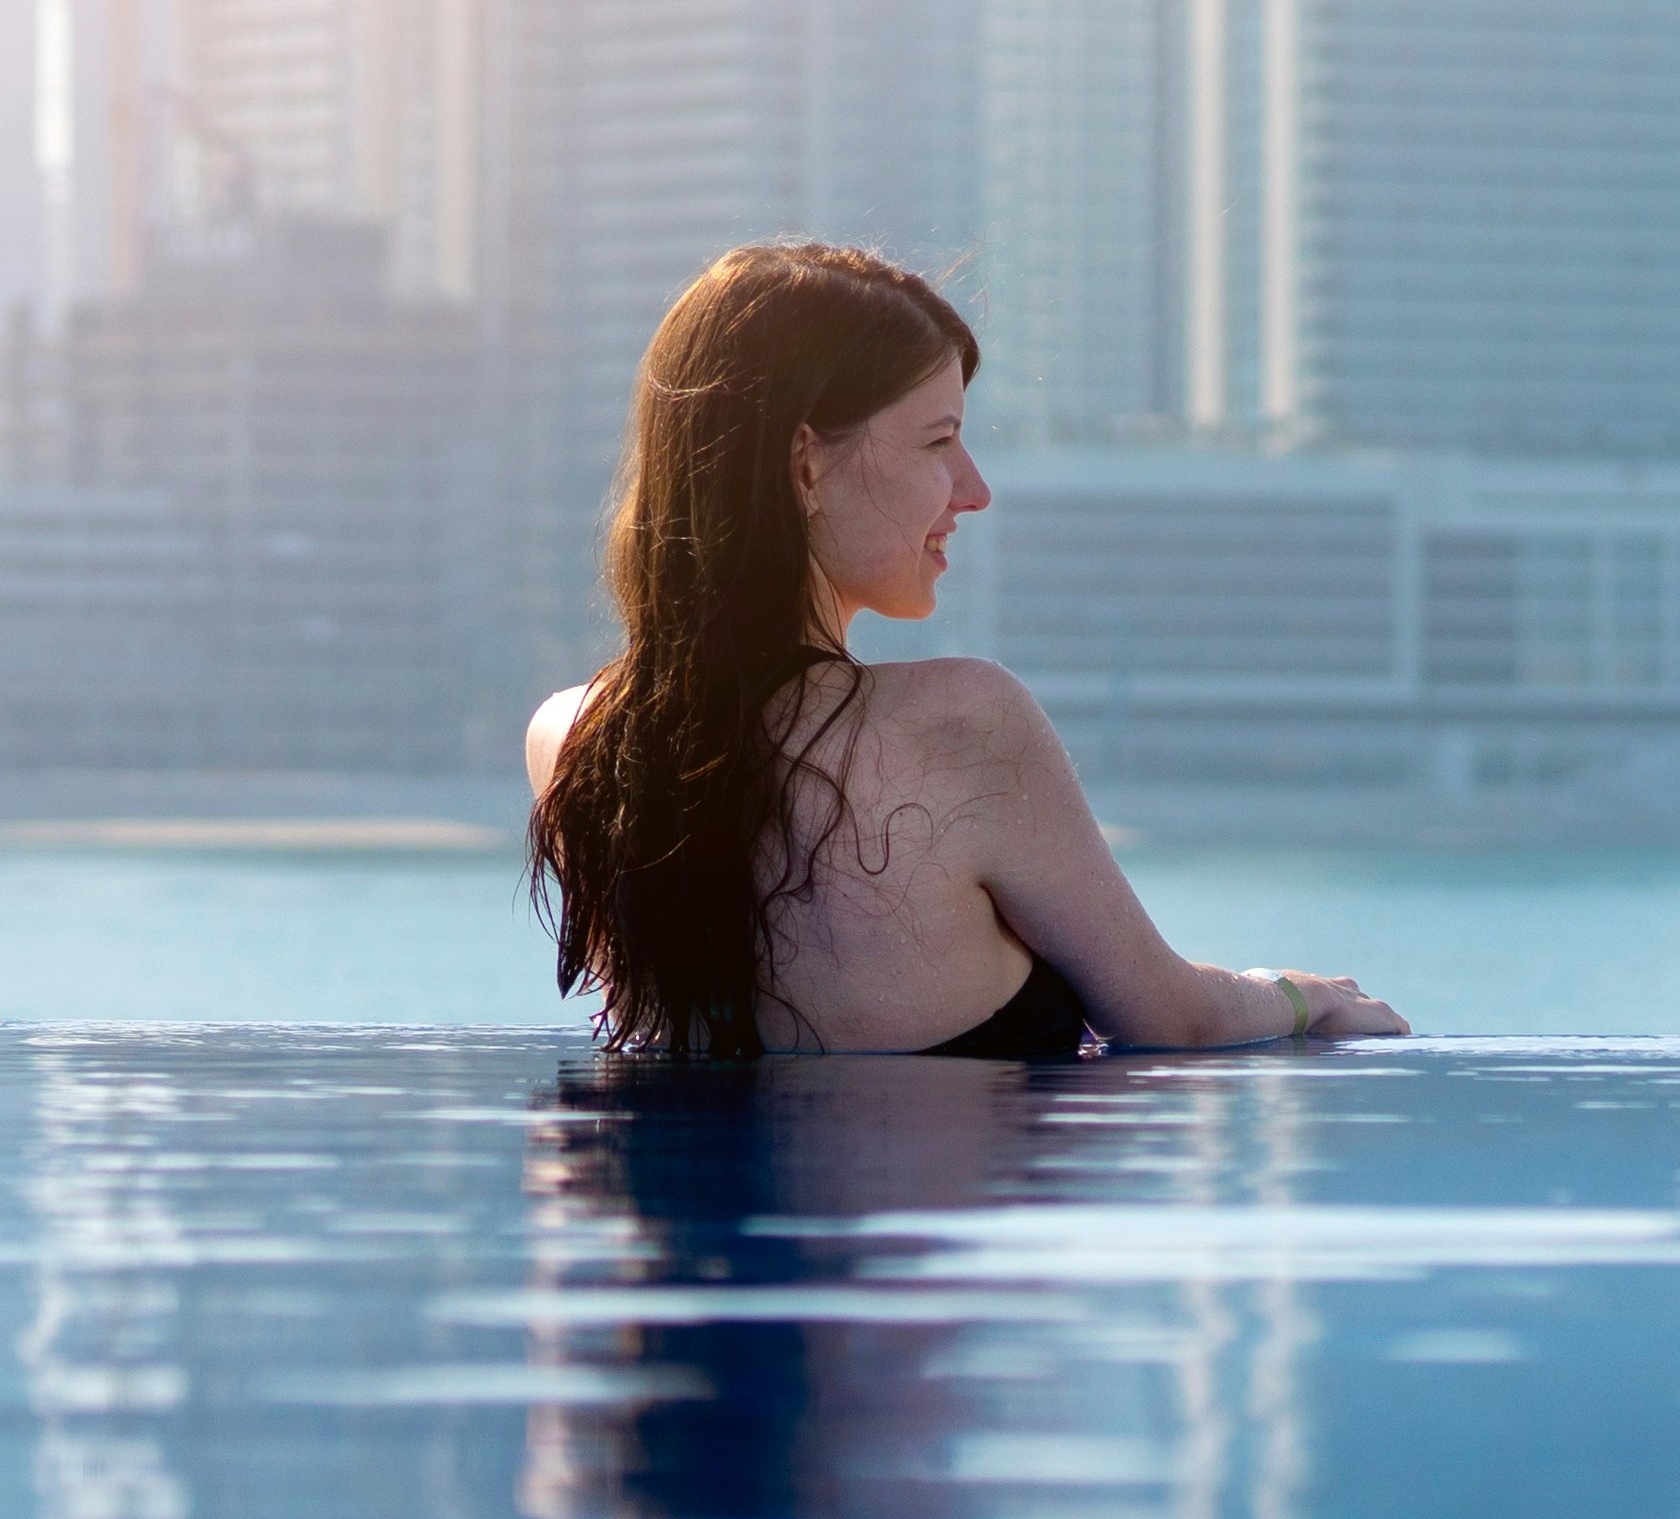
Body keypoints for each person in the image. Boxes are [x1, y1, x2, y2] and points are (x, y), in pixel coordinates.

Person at [526, 242, 1407, 1060]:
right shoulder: (961, 723)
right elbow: (1170, 1016)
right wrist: (1298, 995)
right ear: (805, 466)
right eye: (938, 441)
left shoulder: (571, 737)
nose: (974, 490)